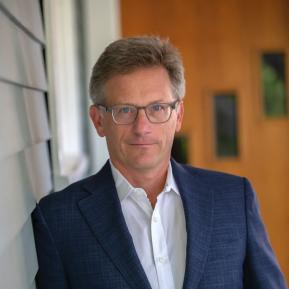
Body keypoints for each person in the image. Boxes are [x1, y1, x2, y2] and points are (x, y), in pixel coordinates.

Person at [32, 36, 287, 289]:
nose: (142, 127)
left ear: (178, 116)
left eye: (157, 108)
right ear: (98, 120)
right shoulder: (57, 220)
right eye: (125, 110)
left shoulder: (234, 199)